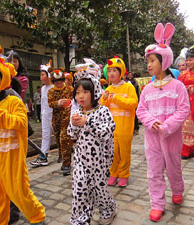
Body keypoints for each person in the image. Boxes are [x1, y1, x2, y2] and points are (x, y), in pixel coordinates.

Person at [0, 40, 45, 225]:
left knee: (18, 191)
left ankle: (37, 217)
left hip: (10, 155)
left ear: (2, 79)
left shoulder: (13, 101)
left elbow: (21, 123)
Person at [136, 22, 190, 222]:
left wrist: (167, 126)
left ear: (164, 60)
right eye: (147, 61)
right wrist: (151, 122)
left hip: (172, 136)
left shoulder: (177, 87)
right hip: (152, 139)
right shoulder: (147, 89)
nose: (148, 65)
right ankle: (157, 203)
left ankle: (177, 189)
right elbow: (140, 110)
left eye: (152, 60)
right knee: (154, 170)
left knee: (174, 166)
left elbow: (184, 109)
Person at [68, 58, 116, 225]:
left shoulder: (103, 111)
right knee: (79, 188)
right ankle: (80, 219)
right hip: (81, 159)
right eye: (78, 92)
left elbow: (107, 132)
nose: (81, 96)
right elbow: (71, 135)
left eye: (85, 92)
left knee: (99, 189)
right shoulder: (76, 112)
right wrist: (74, 125)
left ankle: (108, 209)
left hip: (100, 161)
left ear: (94, 91)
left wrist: (86, 123)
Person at [100, 56, 138, 187]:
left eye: (114, 71)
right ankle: (113, 173)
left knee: (124, 152)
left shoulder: (128, 87)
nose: (111, 74)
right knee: (112, 152)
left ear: (121, 72)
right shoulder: (108, 89)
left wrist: (116, 98)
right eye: (109, 71)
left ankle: (124, 175)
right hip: (111, 127)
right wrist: (104, 99)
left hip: (125, 127)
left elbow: (133, 103)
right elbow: (102, 108)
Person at [48, 68, 73, 176]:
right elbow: (50, 103)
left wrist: (69, 104)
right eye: (56, 82)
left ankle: (67, 163)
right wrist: (57, 103)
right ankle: (61, 155)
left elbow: (74, 101)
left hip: (66, 118)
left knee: (64, 139)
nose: (58, 84)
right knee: (58, 138)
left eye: (60, 81)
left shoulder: (69, 90)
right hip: (56, 118)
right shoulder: (51, 91)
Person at [30, 61, 54, 166]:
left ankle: (65, 153)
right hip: (45, 116)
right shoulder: (43, 89)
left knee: (60, 135)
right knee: (45, 135)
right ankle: (43, 156)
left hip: (53, 116)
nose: (41, 77)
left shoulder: (53, 88)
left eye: (43, 74)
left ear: (48, 75)